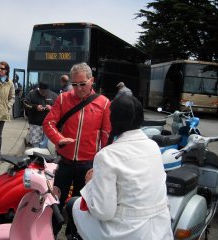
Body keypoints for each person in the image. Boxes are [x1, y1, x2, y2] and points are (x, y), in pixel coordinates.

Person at [66, 95, 173, 240]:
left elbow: (103, 212)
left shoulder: (106, 156)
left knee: (73, 204)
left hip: (127, 231)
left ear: (113, 120)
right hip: (161, 227)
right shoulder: (154, 146)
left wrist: (91, 182)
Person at [42, 62, 111, 235]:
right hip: (64, 162)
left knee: (81, 206)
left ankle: (74, 235)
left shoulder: (103, 103)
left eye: (82, 84)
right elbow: (48, 123)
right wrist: (59, 139)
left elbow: (106, 136)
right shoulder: (64, 98)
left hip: (88, 165)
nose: (78, 88)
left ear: (92, 80)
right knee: (55, 201)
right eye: (74, 84)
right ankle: (50, 233)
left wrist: (100, 165)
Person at [23, 81, 57, 147]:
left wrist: (51, 108)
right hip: (35, 124)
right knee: (35, 144)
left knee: (46, 146)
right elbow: (25, 104)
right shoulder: (32, 94)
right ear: (39, 89)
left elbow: (59, 108)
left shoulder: (54, 95)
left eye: (45, 92)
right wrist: (35, 107)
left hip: (48, 125)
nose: (43, 93)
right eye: (41, 91)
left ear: (48, 90)